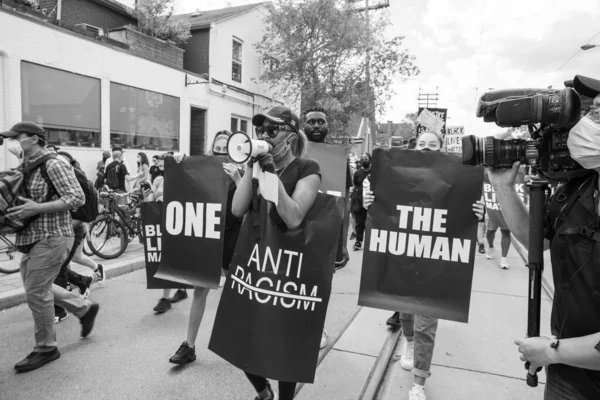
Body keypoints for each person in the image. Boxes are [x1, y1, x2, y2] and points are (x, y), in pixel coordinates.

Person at [489, 94, 600, 399]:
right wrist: (503, 187)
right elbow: (539, 242)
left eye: (599, 115)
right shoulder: (577, 189)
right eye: (591, 113)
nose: (588, 124)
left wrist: (552, 351)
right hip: (568, 372)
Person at [363, 131, 485, 400]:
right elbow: (383, 213)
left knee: (426, 325)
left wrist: (477, 213)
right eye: (422, 145)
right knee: (406, 312)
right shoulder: (397, 176)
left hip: (436, 262)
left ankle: (418, 383)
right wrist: (370, 204)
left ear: (442, 149)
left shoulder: (457, 179)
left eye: (433, 145)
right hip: (403, 259)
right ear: (414, 148)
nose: (427, 149)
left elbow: (464, 217)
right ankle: (408, 341)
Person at [232, 106, 319, 400]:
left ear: (291, 135)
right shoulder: (256, 167)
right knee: (241, 337)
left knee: (284, 345)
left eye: (273, 130)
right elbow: (237, 209)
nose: (265, 135)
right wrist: (251, 168)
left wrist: (270, 173)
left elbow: (294, 217)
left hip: (287, 271)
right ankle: (263, 391)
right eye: (261, 130)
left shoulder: (308, 169)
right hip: (256, 267)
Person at [1, 122, 100, 373]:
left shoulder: (54, 163)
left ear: (34, 139)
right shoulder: (27, 164)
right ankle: (84, 308)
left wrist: (37, 208)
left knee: (36, 291)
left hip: (53, 236)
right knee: (36, 286)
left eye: (17, 138)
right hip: (32, 236)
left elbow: (76, 197)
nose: (13, 142)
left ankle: (46, 348)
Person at [167, 130, 244, 365]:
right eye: (217, 149)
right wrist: (179, 162)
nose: (221, 154)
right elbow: (184, 184)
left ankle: (247, 343)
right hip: (210, 238)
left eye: (226, 149)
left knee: (240, 295)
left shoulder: (244, 174)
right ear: (212, 151)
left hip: (235, 238)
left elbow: (252, 207)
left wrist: (239, 180)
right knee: (200, 291)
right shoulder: (204, 172)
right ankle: (188, 345)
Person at [303, 106, 351, 349]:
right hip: (296, 226)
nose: (316, 126)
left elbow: (345, 200)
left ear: (328, 126)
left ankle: (317, 325)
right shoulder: (293, 152)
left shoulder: (337, 157)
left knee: (322, 282)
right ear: (304, 125)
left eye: (321, 121)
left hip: (325, 230)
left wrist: (343, 242)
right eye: (311, 122)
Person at [52, 151, 106, 323]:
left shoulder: (76, 181)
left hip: (73, 229)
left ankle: (61, 310)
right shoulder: (66, 178)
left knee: (59, 267)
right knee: (65, 263)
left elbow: (81, 213)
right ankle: (83, 281)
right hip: (69, 229)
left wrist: (63, 227)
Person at [143, 153, 188, 313]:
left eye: (166, 165)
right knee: (169, 259)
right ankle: (181, 290)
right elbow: (150, 202)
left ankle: (165, 298)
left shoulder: (182, 181)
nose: (163, 169)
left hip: (176, 225)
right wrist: (146, 195)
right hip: (161, 225)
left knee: (168, 260)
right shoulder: (158, 180)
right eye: (162, 166)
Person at [351, 152, 372, 250]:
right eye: (362, 159)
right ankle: (358, 241)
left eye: (366, 159)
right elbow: (355, 185)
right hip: (359, 201)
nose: (364, 161)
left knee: (372, 222)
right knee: (360, 222)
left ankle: (372, 242)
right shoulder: (357, 173)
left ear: (370, 160)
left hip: (372, 201)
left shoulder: (375, 172)